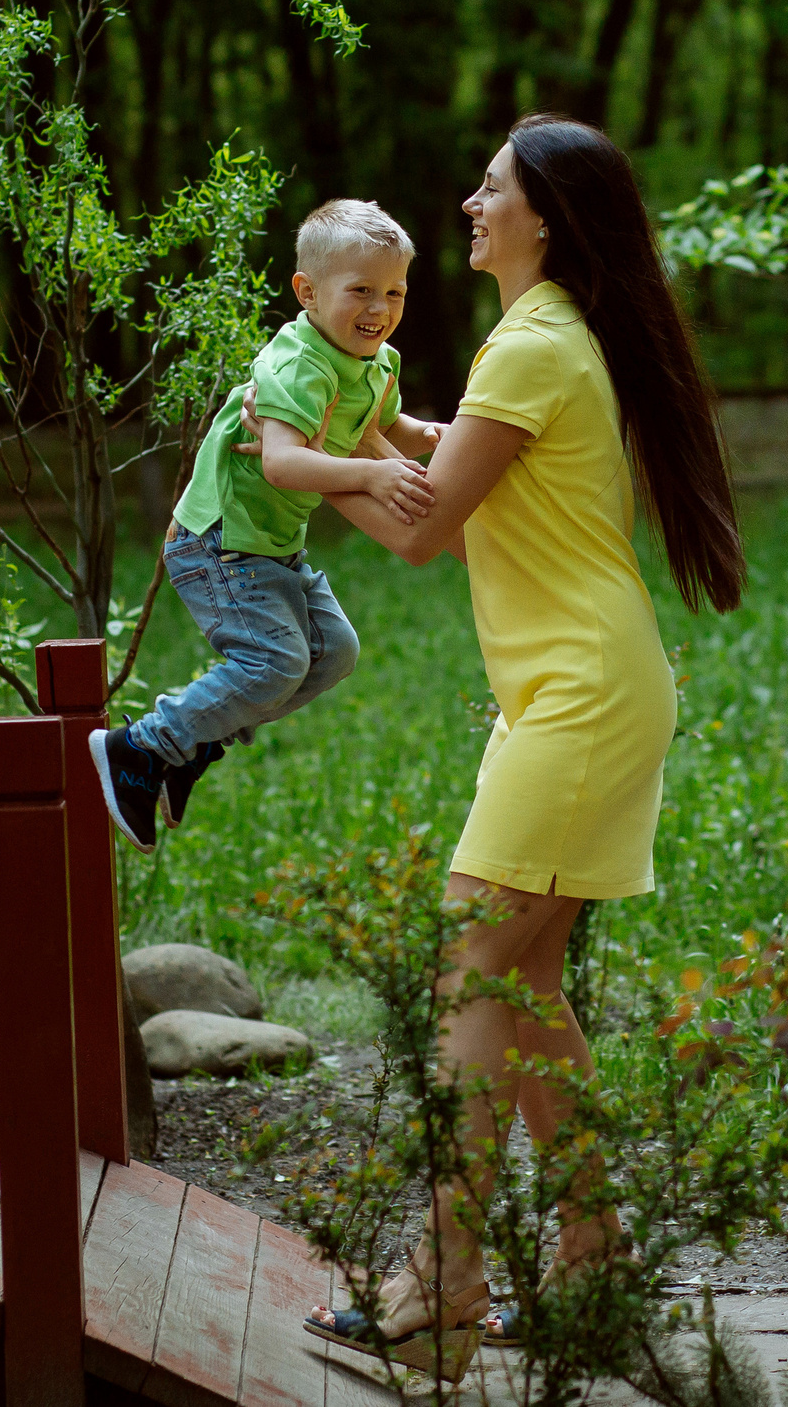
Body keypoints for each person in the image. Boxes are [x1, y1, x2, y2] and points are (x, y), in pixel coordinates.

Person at [300, 115, 744, 1377]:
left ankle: (442, 1285)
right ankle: (594, 1271)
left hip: (579, 704)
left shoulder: (530, 345)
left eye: (490, 190)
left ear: (544, 216)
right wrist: (370, 433)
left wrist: (281, 460)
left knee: (469, 975)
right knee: (522, 984)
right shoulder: (547, 343)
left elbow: (424, 532)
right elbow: (466, 464)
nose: (467, 205)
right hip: (577, 694)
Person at [89, 199, 448, 851]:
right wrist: (370, 475)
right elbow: (281, 462)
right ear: (308, 293)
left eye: (393, 291)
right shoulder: (298, 365)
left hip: (274, 546)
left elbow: (382, 425)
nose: (380, 308)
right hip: (221, 540)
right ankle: (140, 747)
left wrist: (435, 436)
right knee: (277, 661)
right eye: (360, 290)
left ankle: (195, 741)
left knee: (335, 653)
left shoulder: (377, 362)